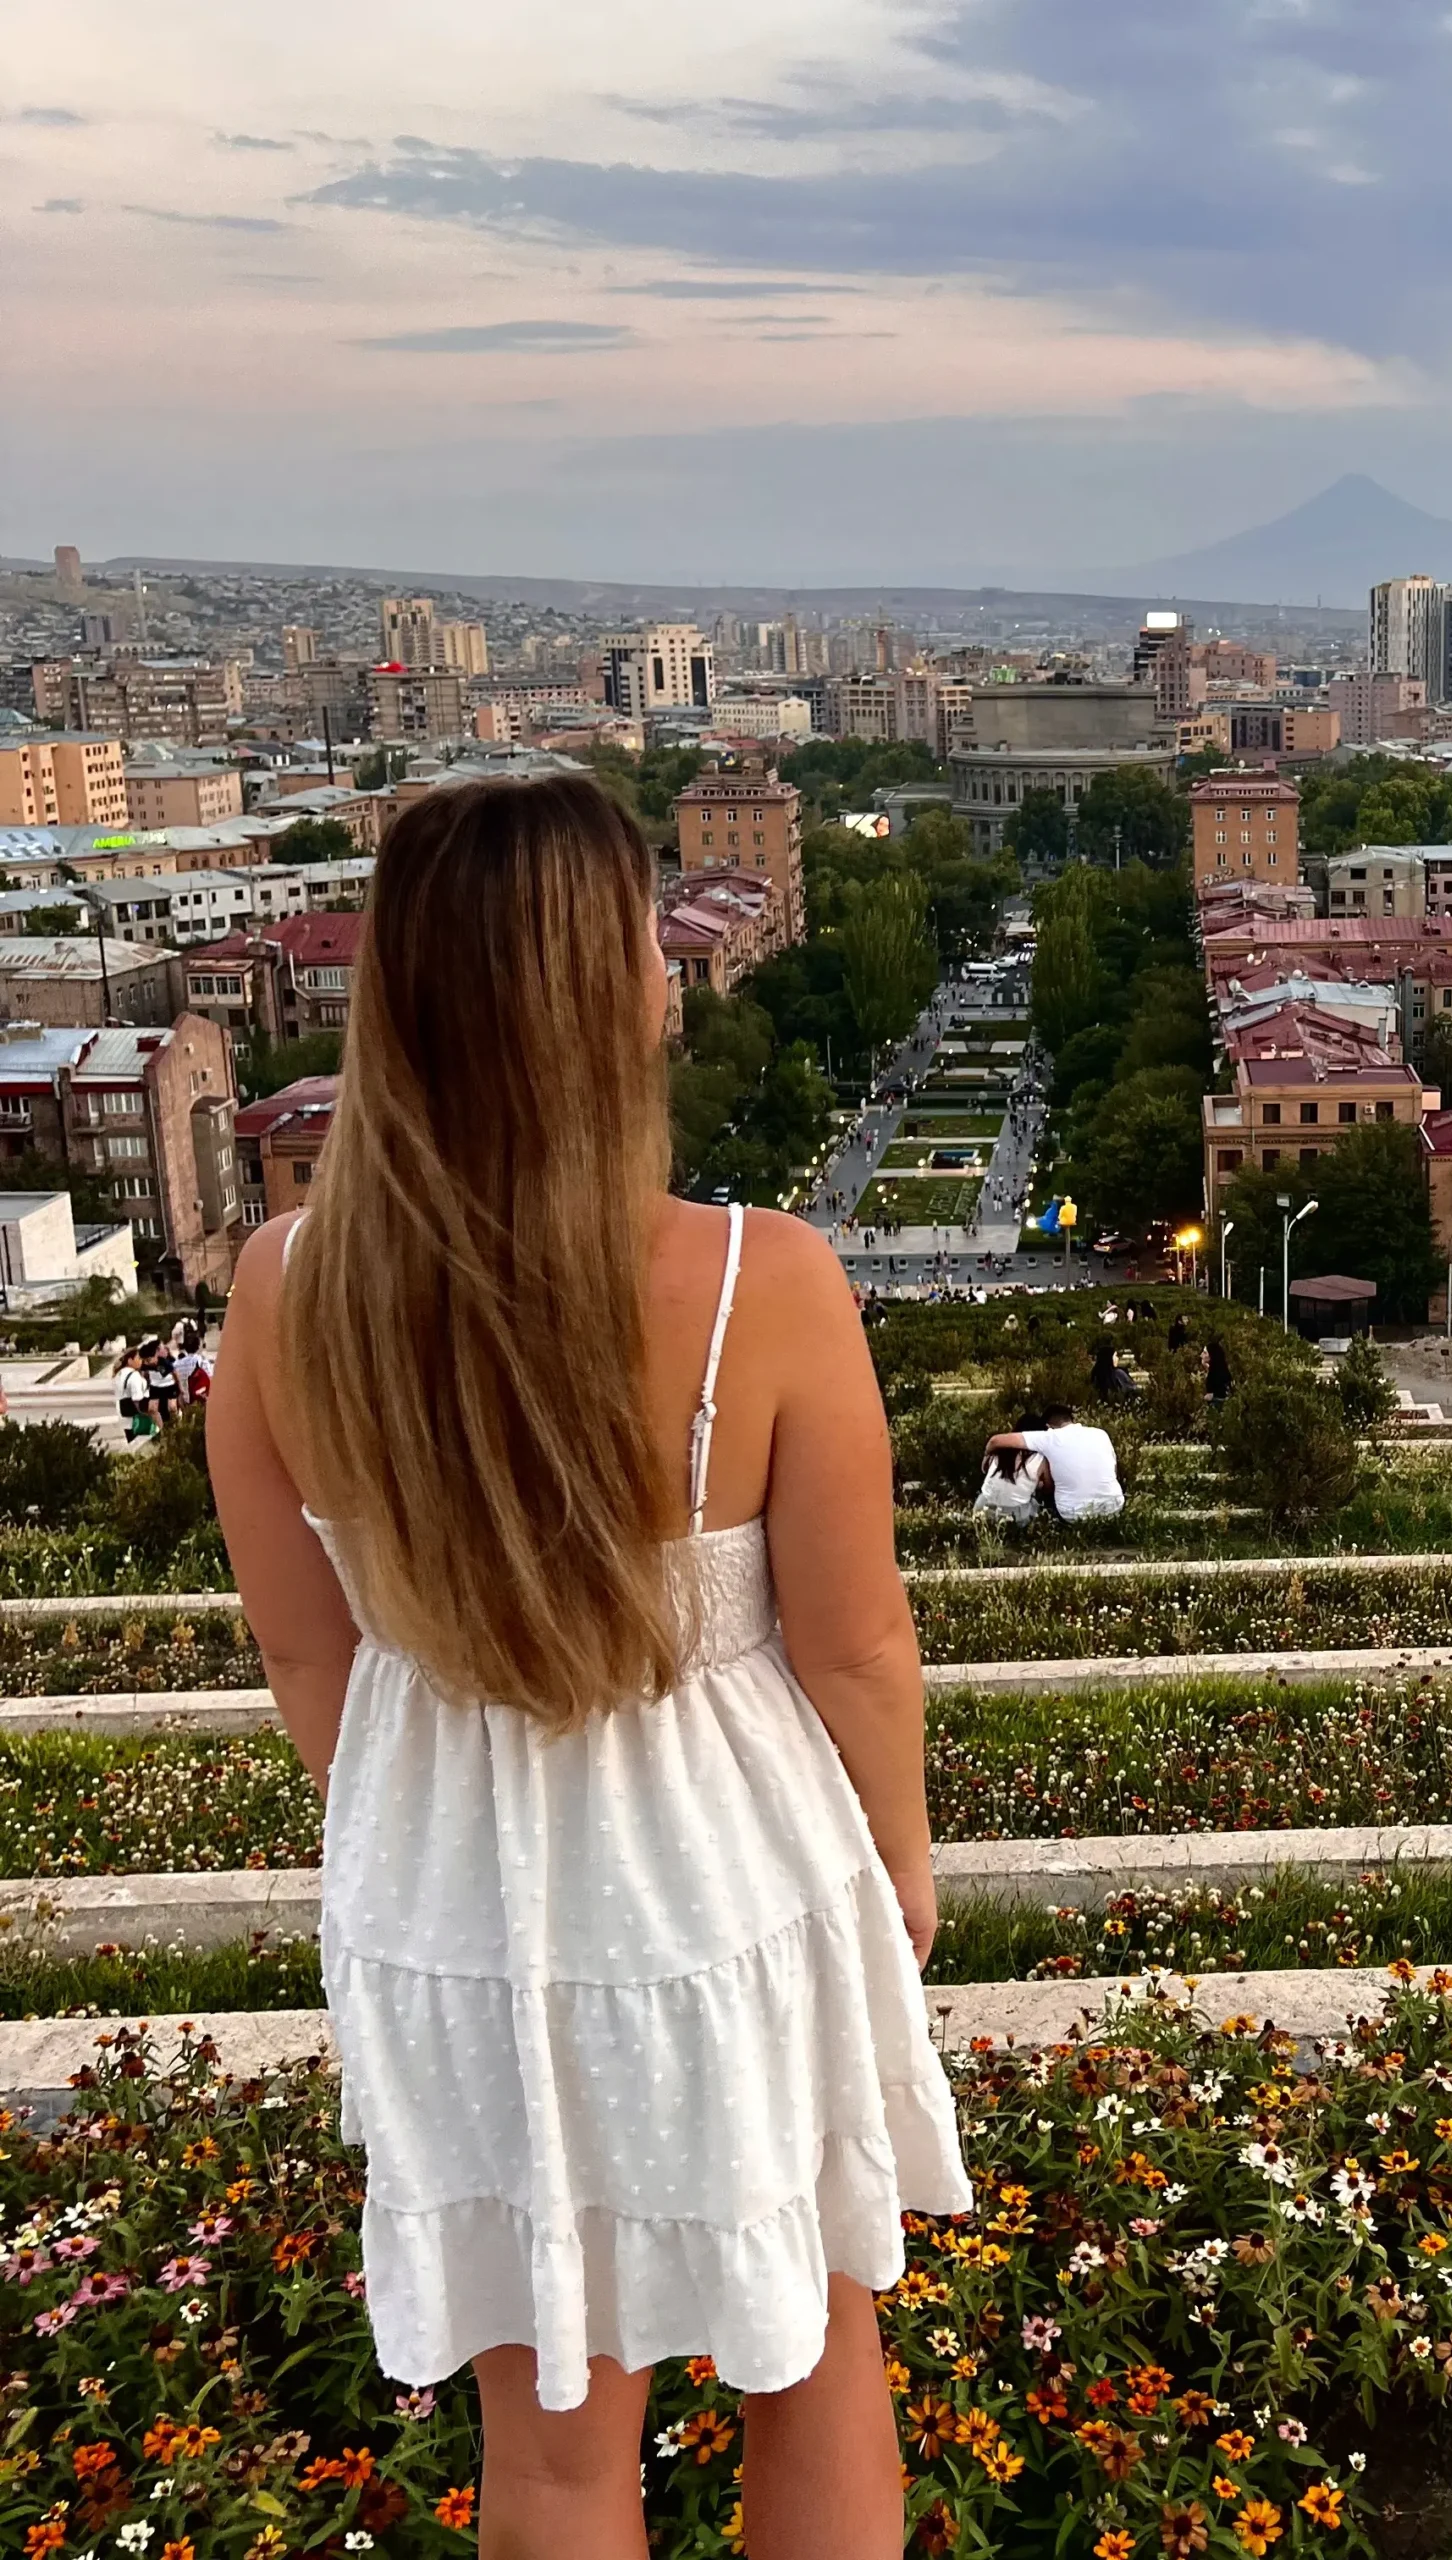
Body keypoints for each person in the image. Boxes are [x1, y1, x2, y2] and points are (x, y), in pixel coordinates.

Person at [206, 774, 968, 2559]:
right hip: (728, 1888)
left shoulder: (280, 1292)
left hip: (453, 1908)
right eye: (642, 936)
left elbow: (303, 1649)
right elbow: (856, 1645)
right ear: (603, 993)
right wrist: (903, 1871)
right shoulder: (754, 1284)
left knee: (546, 2437)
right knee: (818, 2357)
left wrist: (427, 1854)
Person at [983, 1403, 1123, 1523]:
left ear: (1048, 1426)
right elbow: (1114, 1472)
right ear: (1071, 1419)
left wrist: (987, 1456)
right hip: (1114, 1509)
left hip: (1072, 1515)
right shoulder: (1100, 1434)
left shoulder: (1049, 1437)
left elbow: (996, 1441)